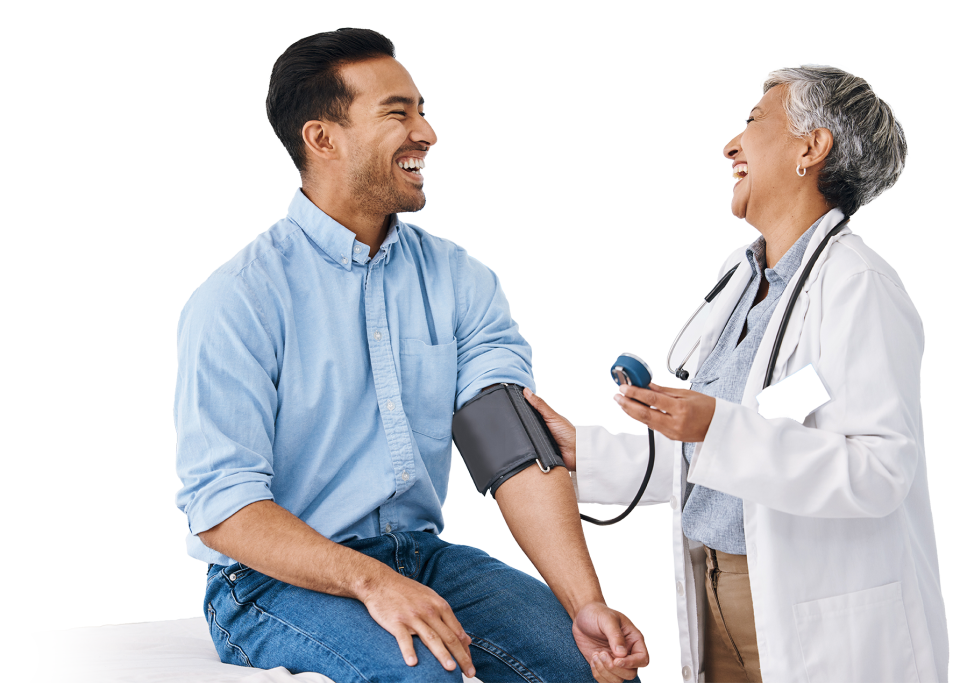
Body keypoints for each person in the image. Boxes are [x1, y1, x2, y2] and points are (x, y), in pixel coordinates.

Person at [173, 28, 648, 683]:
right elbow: (223, 505)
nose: (426, 132)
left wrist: (583, 601)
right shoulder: (238, 299)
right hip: (268, 584)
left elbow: (510, 447)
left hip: (421, 556)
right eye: (398, 113)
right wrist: (372, 582)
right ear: (323, 139)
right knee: (428, 676)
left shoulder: (461, 279)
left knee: (589, 669)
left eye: (423, 111)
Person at [526, 64, 948, 683]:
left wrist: (715, 426)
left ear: (811, 147)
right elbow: (764, 418)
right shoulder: (739, 281)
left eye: (752, 122)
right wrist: (585, 451)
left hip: (811, 608)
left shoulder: (859, 286)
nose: (730, 144)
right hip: (717, 587)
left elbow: (879, 470)